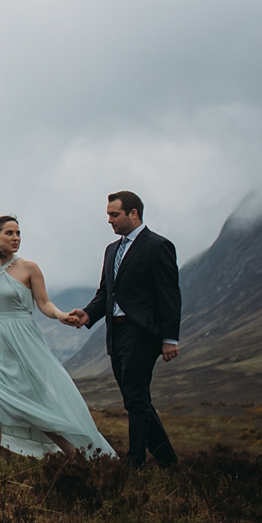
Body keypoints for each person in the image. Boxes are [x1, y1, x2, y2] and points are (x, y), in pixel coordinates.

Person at [0, 215, 115, 459]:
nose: (16, 238)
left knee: (35, 403)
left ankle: (84, 459)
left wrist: (61, 315)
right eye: (9, 233)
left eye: (18, 233)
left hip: (22, 342)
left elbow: (44, 303)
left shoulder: (30, 267)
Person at [64, 190, 181, 468]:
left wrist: (169, 338)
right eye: (108, 215)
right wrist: (88, 314)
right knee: (134, 399)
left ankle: (135, 462)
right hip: (115, 334)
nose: (109, 220)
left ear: (133, 214)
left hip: (142, 333)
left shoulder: (158, 246)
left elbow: (169, 295)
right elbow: (106, 293)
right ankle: (169, 463)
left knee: (136, 396)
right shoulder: (111, 250)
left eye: (114, 215)